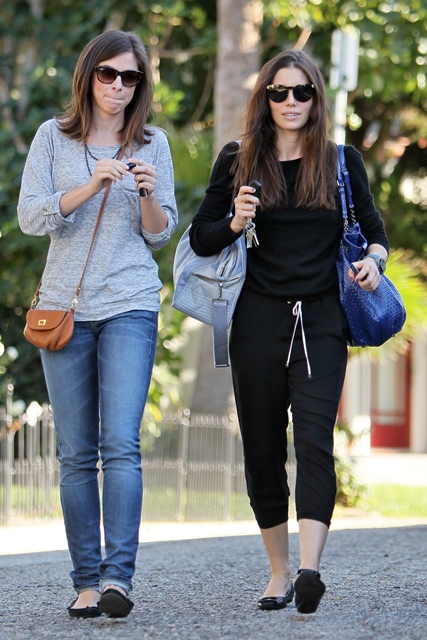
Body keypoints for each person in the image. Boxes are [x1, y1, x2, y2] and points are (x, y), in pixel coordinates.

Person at [189, 49, 388, 614]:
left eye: (303, 91)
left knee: (315, 441)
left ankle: (309, 570)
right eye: (279, 91)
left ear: (316, 98)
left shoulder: (342, 162)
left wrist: (373, 262)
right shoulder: (238, 160)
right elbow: (201, 238)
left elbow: (375, 232)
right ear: (265, 98)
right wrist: (236, 219)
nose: (291, 101)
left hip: (322, 320)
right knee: (262, 448)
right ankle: (278, 571)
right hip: (258, 321)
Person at [18, 30, 178, 618]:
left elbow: (160, 233)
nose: (118, 85)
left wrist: (147, 194)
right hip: (65, 307)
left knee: (121, 444)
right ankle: (85, 580)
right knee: (77, 452)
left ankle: (118, 580)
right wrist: (90, 185)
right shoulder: (51, 138)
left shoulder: (153, 143)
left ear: (140, 85)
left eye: (130, 77)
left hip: (130, 302)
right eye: (108, 74)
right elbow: (30, 215)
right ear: (88, 76)